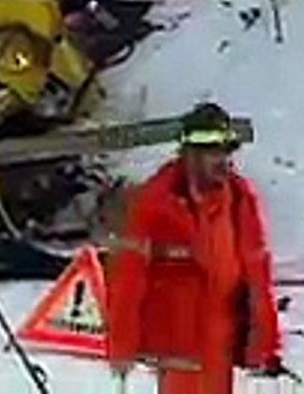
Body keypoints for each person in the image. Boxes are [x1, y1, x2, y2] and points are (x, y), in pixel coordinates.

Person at [107, 103, 289, 393]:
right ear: (190, 155)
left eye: (225, 151)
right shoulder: (155, 202)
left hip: (222, 345)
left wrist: (265, 341)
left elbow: (257, 274)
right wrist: (122, 344)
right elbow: (128, 278)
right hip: (178, 349)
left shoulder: (241, 199)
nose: (222, 160)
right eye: (212, 152)